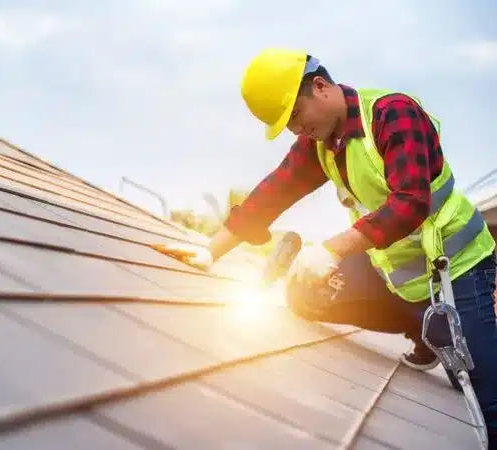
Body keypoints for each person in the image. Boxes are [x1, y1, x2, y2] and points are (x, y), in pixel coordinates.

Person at [154, 48, 497, 446]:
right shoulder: (322, 142)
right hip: (397, 278)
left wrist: (332, 249)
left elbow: (411, 203)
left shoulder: (392, 114)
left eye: (295, 116)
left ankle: (438, 332)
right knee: (304, 292)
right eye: (287, 125)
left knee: (482, 397)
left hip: (458, 272)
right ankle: (420, 329)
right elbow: (275, 190)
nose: (295, 130)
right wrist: (212, 251)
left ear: (320, 87)